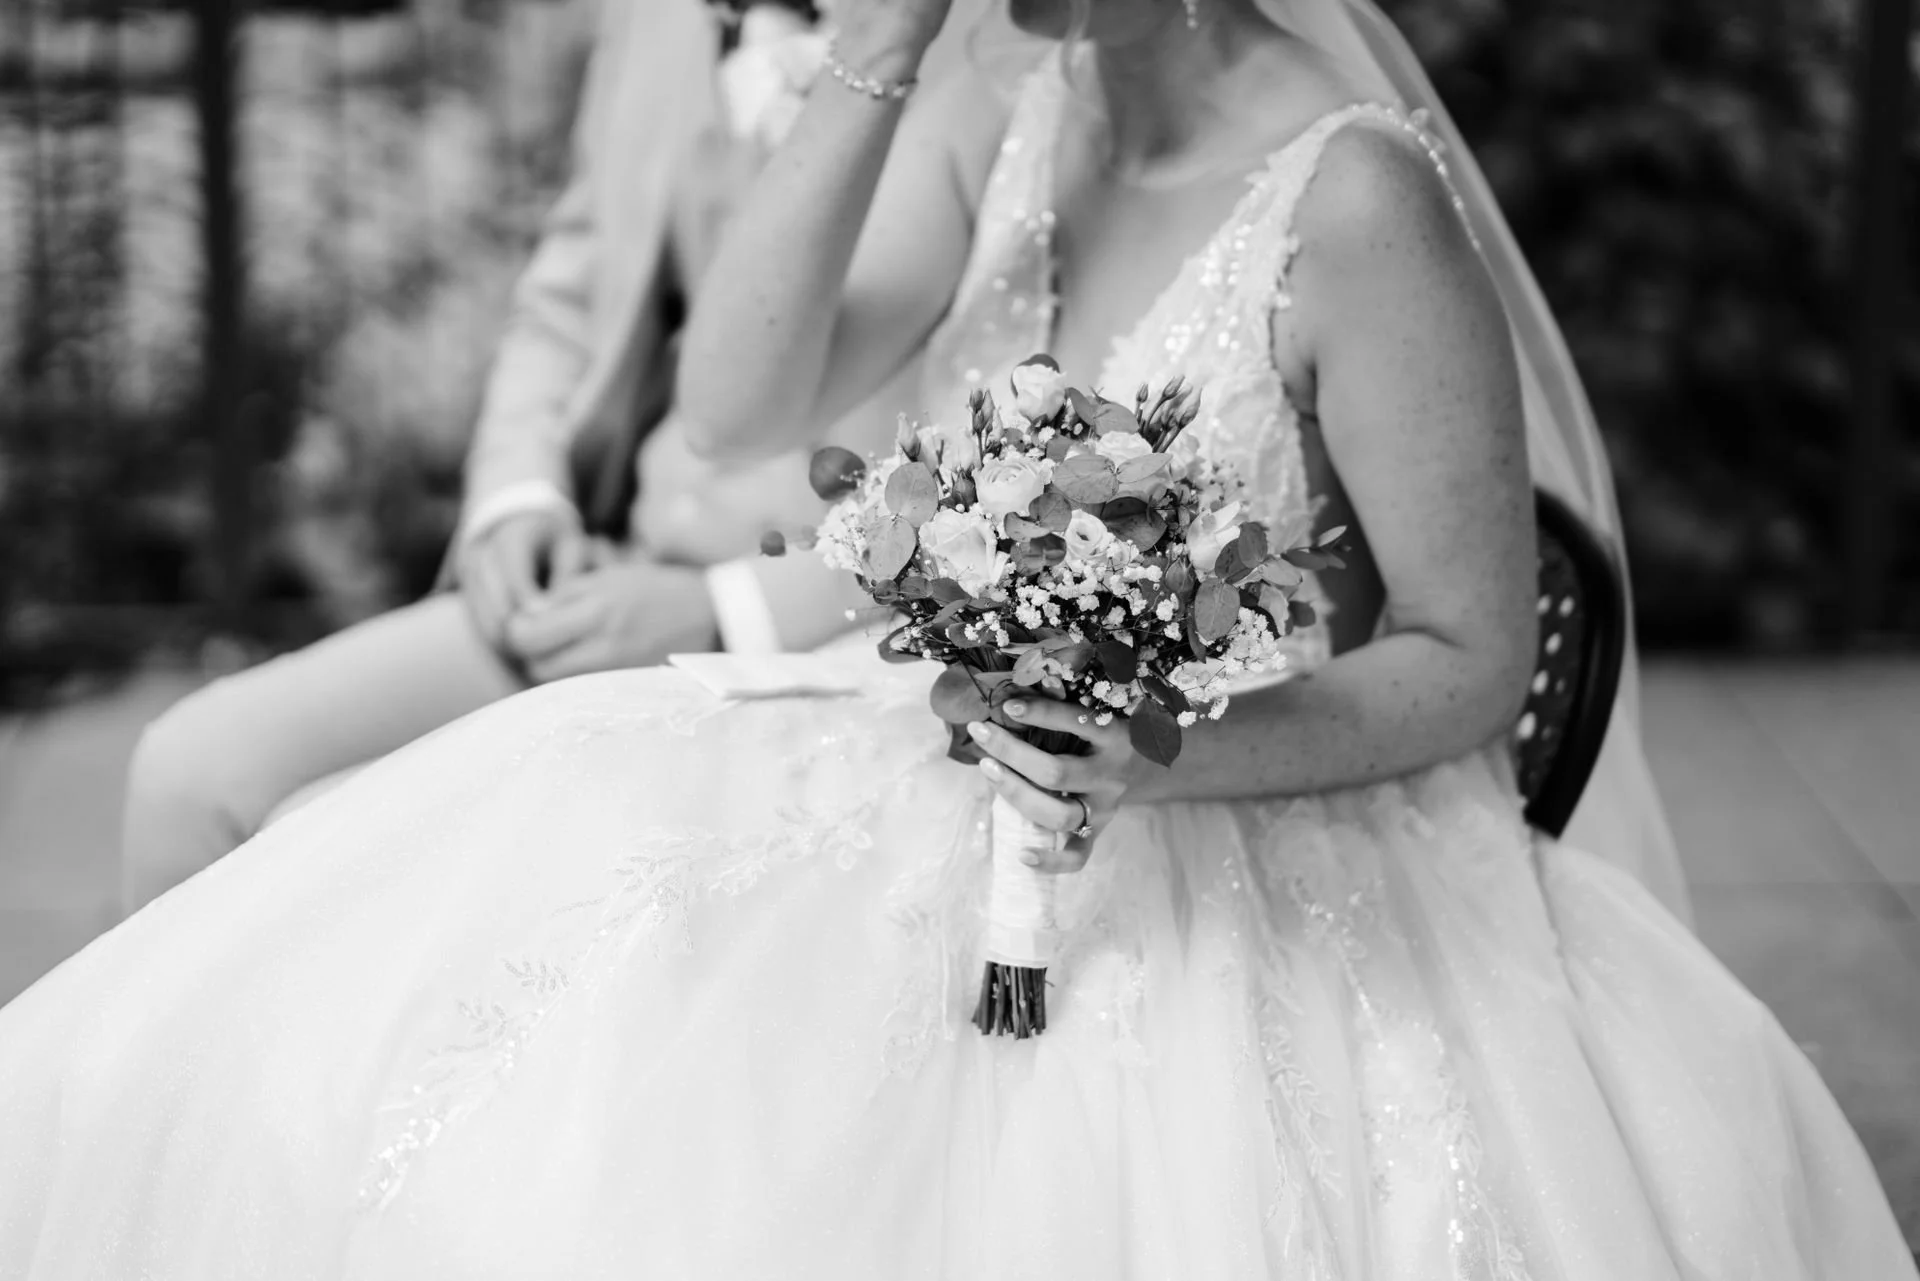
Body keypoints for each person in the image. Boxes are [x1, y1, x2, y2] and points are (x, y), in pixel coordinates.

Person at [1, 0, 1908, 1275]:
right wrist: (887, 45)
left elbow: (1478, 654)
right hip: (913, 752)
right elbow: (742, 404)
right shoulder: (1031, 112)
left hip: (1226, 840)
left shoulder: (1358, 201)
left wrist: (1165, 753)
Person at [115, 0, 968, 912]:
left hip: (845, 625)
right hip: (604, 572)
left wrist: (727, 609)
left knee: (425, 884)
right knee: (190, 776)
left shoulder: (1010, 35)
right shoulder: (659, 17)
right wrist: (518, 501)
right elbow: (572, 293)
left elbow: (1023, 422)